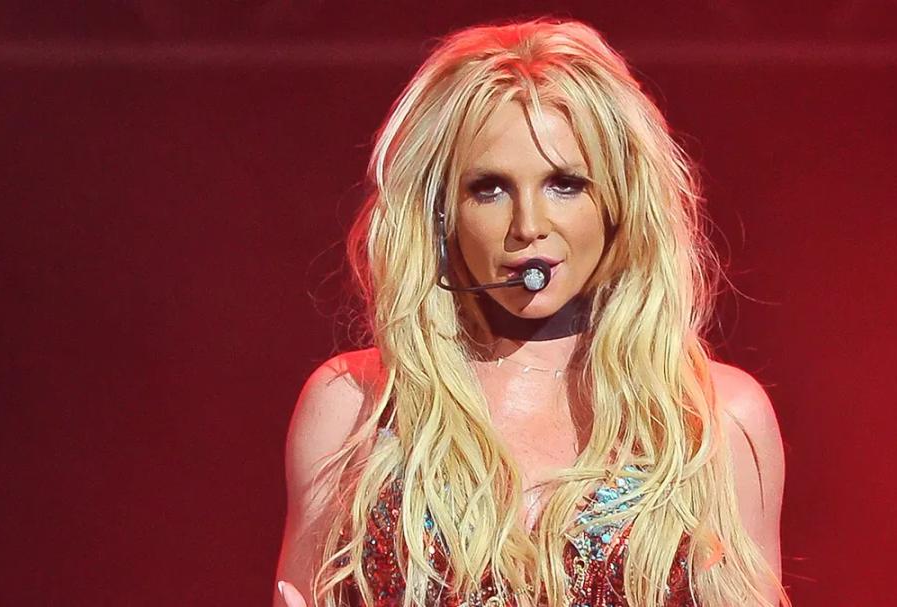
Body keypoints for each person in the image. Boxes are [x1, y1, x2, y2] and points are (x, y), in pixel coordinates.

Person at [274, 18, 789, 607]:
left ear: (620, 200)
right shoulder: (355, 408)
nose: (528, 225)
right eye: (489, 188)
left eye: (565, 184)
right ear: (442, 213)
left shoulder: (714, 421)